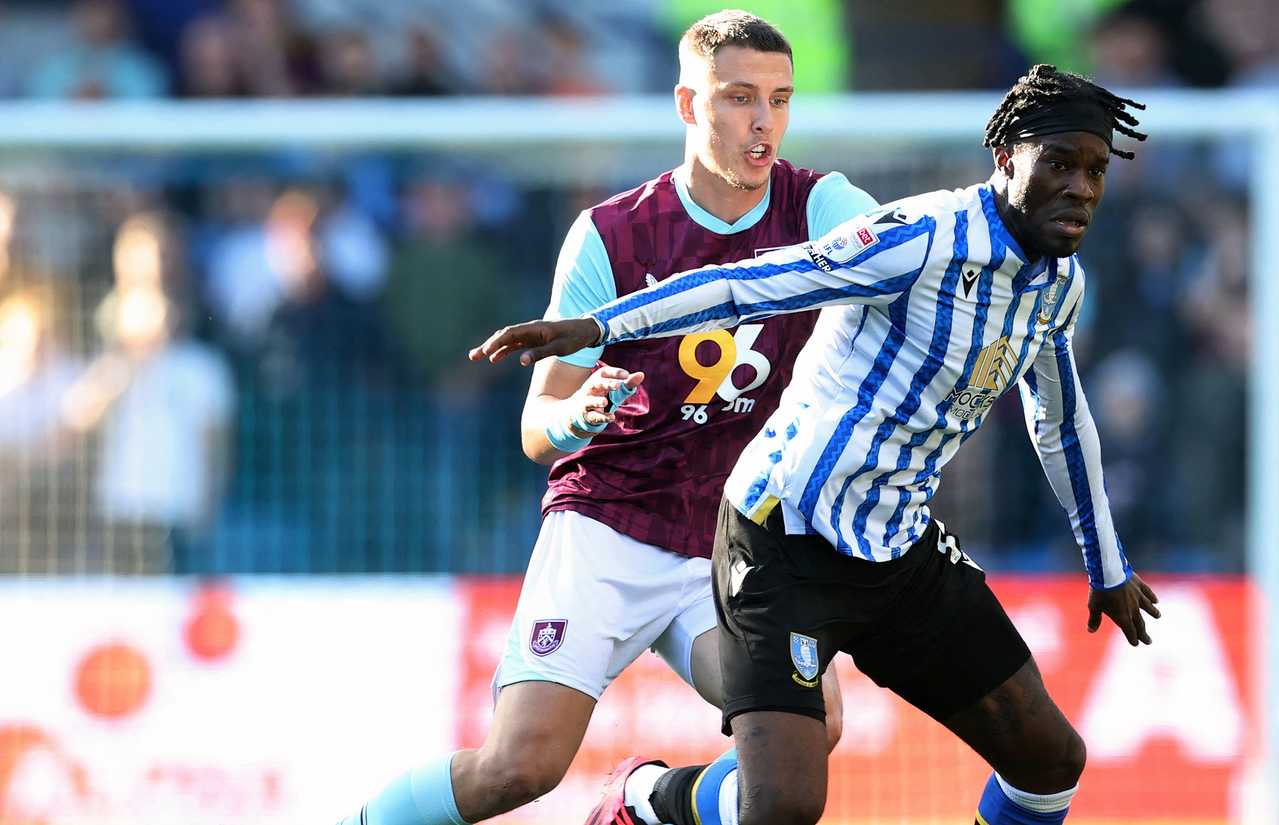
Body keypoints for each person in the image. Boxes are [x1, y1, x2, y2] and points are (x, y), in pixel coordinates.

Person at [471, 64, 1161, 825]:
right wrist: (601, 326)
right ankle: (644, 800)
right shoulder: (920, 236)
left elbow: (1061, 423)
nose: (1080, 189)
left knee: (1051, 763)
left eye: (1095, 171)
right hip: (782, 537)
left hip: (897, 547)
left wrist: (1107, 566)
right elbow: (748, 283)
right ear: (1006, 157)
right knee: (782, 808)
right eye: (1058, 164)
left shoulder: (1059, 285)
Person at [335, 11, 875, 825]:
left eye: (779, 99)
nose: (763, 121)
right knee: (517, 767)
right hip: (610, 527)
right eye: (739, 98)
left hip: (731, 539)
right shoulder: (613, 235)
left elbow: (902, 251)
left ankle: (644, 804)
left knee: (809, 732)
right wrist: (578, 414)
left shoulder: (819, 205)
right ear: (688, 105)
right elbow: (536, 424)